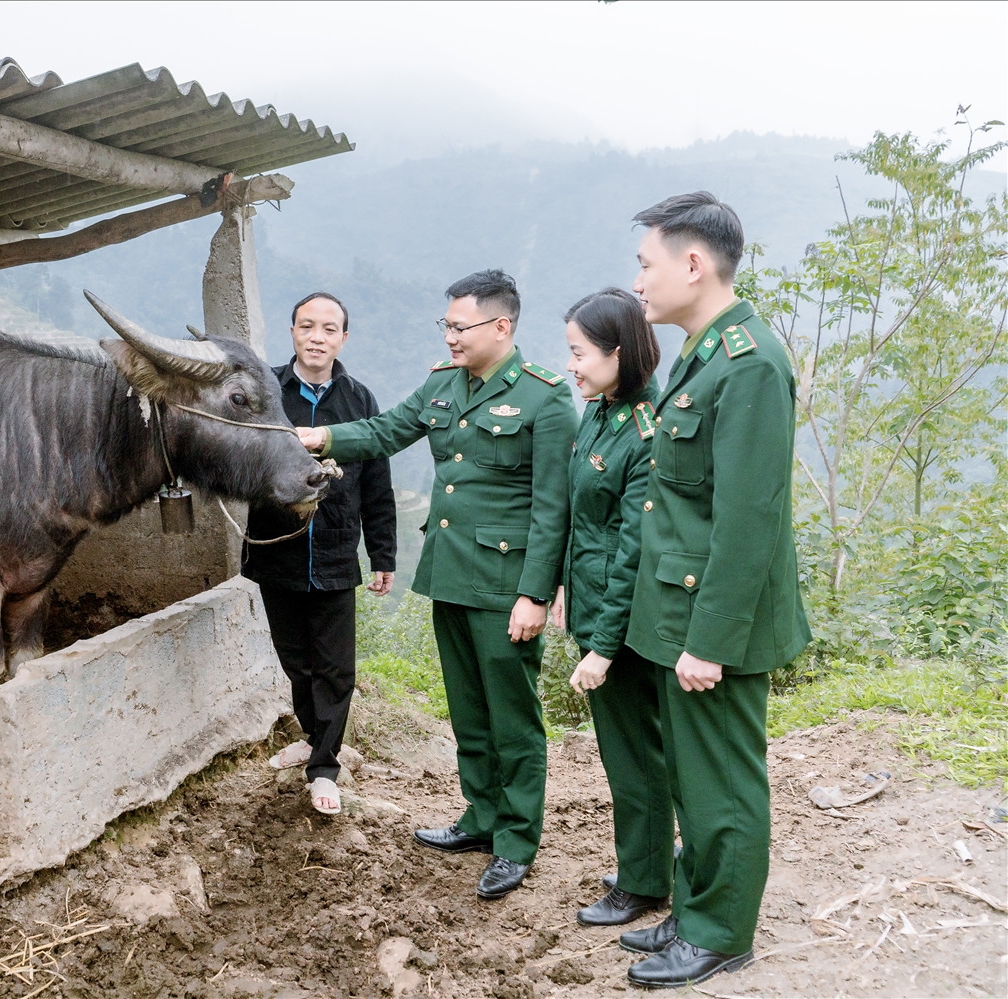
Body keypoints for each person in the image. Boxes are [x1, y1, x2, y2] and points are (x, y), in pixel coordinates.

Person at [296, 270, 575, 900]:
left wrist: (537, 594)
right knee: (470, 714)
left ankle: (515, 839)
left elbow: (555, 506)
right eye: (445, 325)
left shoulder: (546, 398)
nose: (448, 336)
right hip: (451, 573)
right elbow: (387, 431)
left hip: (507, 585)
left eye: (459, 326)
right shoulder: (443, 383)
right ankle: (480, 818)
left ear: (501, 327)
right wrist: (321, 437)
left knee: (512, 718)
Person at [618, 193, 810, 989]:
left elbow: (749, 518)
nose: (638, 282)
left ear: (692, 264)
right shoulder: (703, 352)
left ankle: (723, 932)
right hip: (680, 608)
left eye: (646, 263)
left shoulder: (752, 361)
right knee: (694, 777)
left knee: (724, 779)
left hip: (713, 618)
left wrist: (712, 638)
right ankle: (698, 907)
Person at [548, 288, 672, 927]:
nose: (571, 365)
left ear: (617, 352)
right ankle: (651, 856)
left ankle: (645, 879)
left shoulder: (645, 430)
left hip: (620, 622)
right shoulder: (602, 411)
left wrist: (603, 645)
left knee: (633, 755)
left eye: (579, 353)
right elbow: (585, 521)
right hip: (594, 603)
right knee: (628, 748)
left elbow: (632, 549)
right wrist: (570, 588)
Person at [245, 292, 397, 816]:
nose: (317, 337)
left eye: (328, 329)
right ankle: (313, 738)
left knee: (335, 667)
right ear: (291, 332)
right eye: (307, 326)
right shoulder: (265, 392)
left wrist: (383, 555)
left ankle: (325, 768)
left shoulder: (359, 401)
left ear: (343, 339)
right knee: (296, 662)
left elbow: (377, 483)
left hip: (334, 554)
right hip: (277, 552)